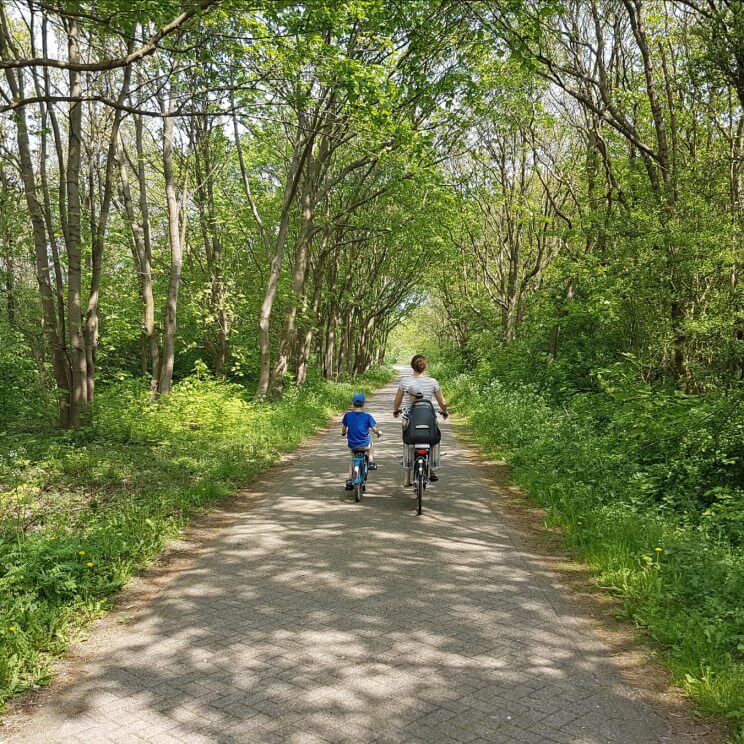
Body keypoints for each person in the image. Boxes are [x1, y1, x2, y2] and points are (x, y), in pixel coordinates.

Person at [393, 354, 448, 485]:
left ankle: (407, 479)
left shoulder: (404, 381)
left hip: (410, 418)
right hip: (428, 417)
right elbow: (442, 402)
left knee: (408, 442)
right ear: (425, 366)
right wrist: (444, 412)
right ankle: (433, 469)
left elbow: (397, 401)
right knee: (434, 439)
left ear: (412, 366)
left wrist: (396, 411)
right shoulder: (433, 382)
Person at [341, 392, 382, 491]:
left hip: (353, 444)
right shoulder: (367, 416)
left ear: (353, 404)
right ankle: (371, 462)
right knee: (370, 445)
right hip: (364, 444)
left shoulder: (348, 415)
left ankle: (350, 479)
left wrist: (343, 433)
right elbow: (374, 429)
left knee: (353, 459)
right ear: (364, 404)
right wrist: (378, 433)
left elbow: (344, 428)